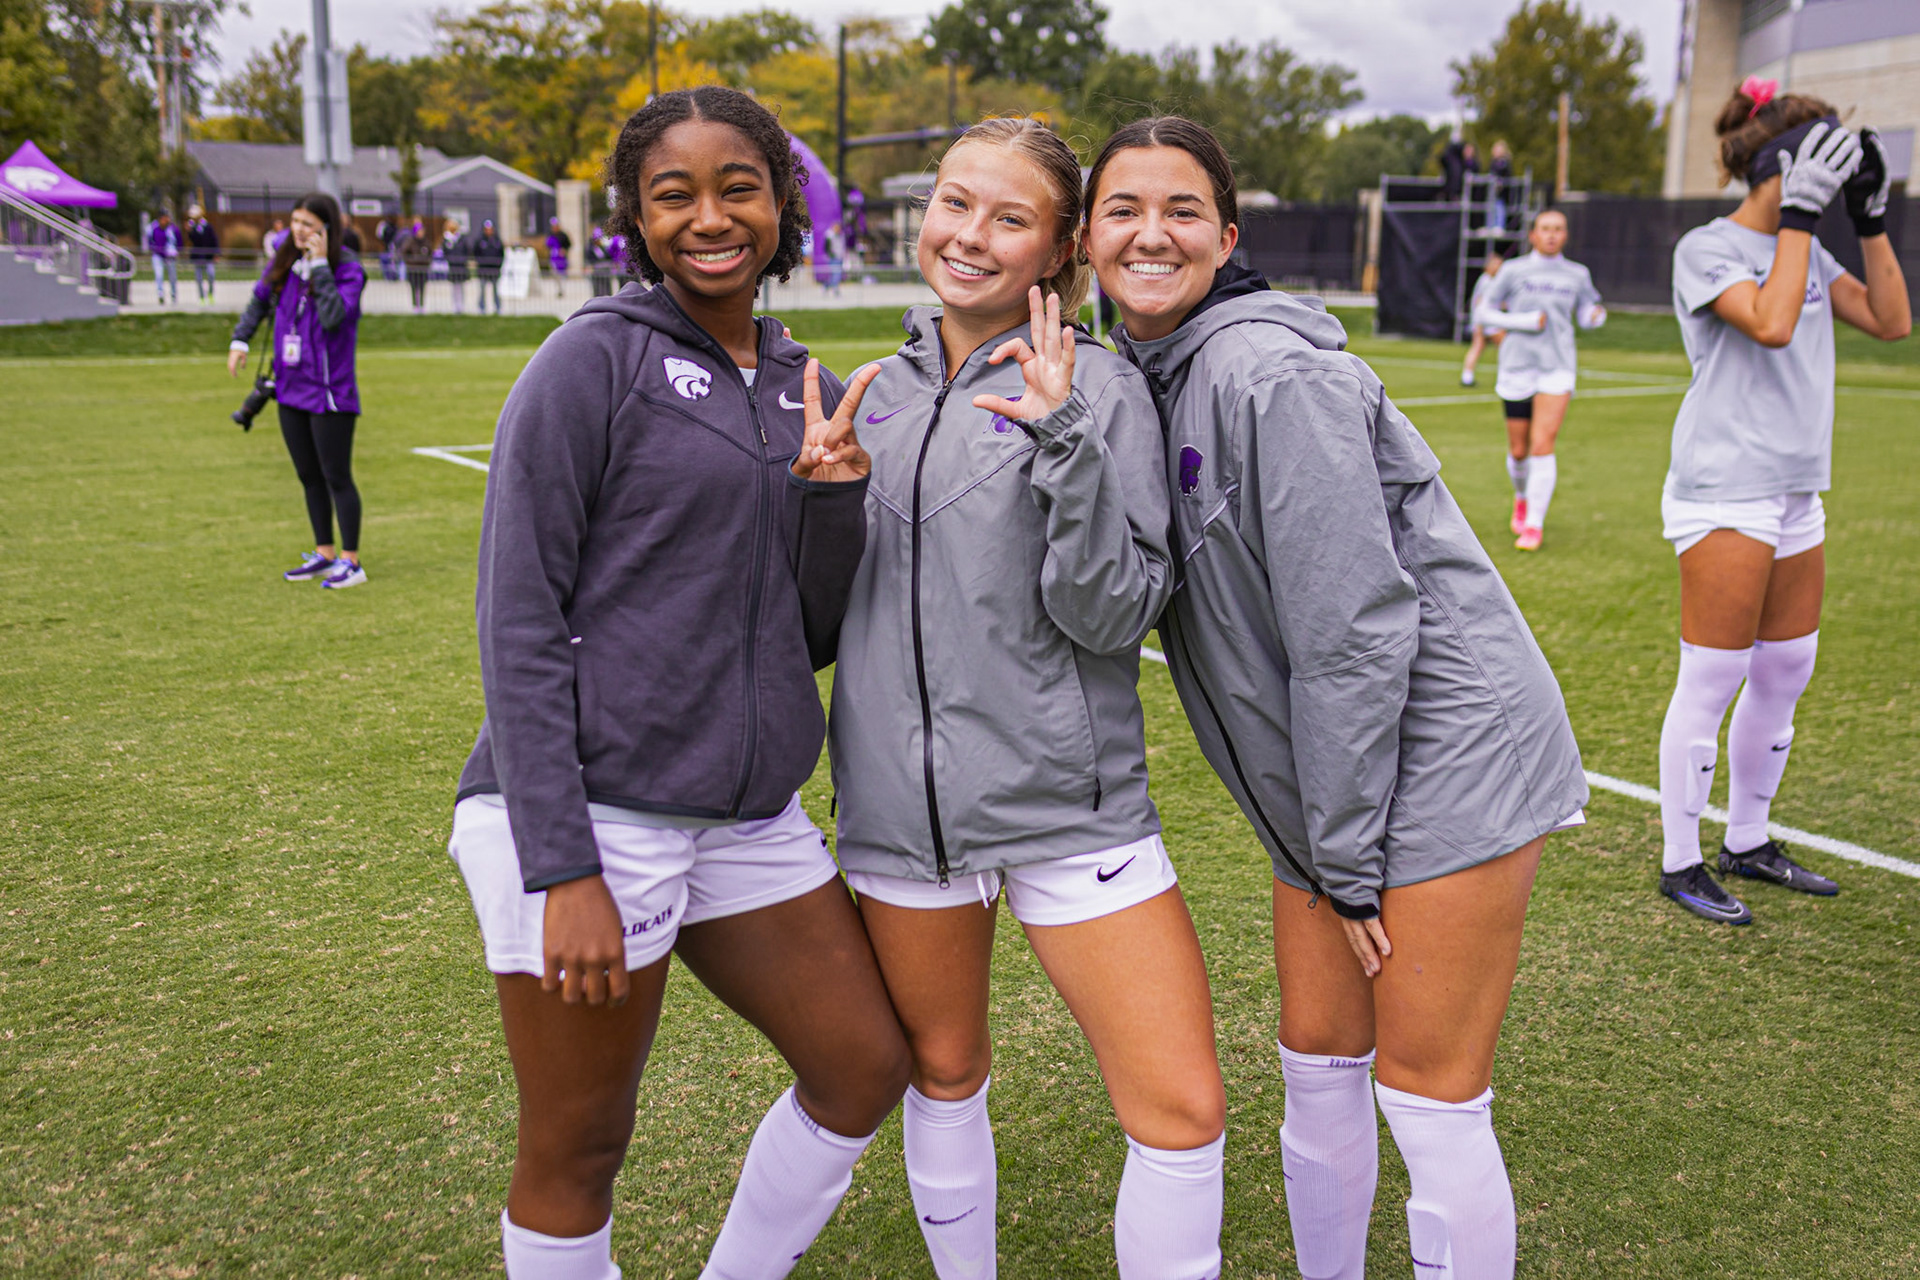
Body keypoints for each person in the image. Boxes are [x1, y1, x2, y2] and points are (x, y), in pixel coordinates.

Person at [1087, 115, 1589, 1280]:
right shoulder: (1148, 373)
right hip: (1331, 783)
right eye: (1124, 209)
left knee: (1428, 1096)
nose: (1152, 233)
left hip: (1443, 757)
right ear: (1086, 236)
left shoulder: (1270, 371)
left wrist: (1344, 855)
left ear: (1226, 234)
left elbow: (1353, 633)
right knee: (1318, 1057)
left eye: (1181, 210)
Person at [450, 84, 911, 1280]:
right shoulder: (592, 359)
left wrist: (828, 495)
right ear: (636, 218)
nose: (709, 217)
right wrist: (565, 867)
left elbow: (798, 631)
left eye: (737, 187)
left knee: (864, 1062)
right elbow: (517, 618)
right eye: (675, 194)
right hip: (592, 816)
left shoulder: (796, 375)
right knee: (581, 1138)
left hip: (747, 811)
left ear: (782, 203)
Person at [829, 116, 1225, 1280]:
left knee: (1181, 1106)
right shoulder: (871, 392)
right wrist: (812, 505)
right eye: (956, 202)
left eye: (1010, 217)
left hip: (1071, 807)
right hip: (906, 816)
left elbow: (1112, 614)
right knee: (944, 1071)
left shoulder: (1102, 387)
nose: (969, 234)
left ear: (1057, 251)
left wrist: (1061, 432)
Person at [1654, 80, 1909, 925]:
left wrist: (1868, 220)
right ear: (1786, 165)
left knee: (1786, 668)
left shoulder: (1813, 250)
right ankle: (1682, 859)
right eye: (1824, 155)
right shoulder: (1708, 248)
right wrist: (1796, 220)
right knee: (1715, 674)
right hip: (1726, 488)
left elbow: (1891, 320)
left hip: (1798, 490)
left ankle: (1749, 838)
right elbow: (1768, 322)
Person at [225, 192, 370, 590]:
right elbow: (258, 302)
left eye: (309, 224)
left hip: (330, 392)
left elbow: (334, 317)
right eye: (296, 222)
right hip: (290, 387)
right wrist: (240, 341)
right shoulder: (284, 264)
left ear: (327, 229)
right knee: (308, 475)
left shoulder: (349, 270)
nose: (300, 231)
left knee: (336, 475)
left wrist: (321, 266)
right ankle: (324, 554)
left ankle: (351, 561)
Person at [1472, 208, 1606, 550]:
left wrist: (1594, 317)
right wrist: (1527, 321)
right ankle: (1521, 496)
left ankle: (1533, 525)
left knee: (1542, 445)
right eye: (1545, 228)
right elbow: (1483, 313)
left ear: (1565, 235)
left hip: (1557, 369)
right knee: (1519, 451)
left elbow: (1587, 313)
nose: (1551, 234)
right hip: (1517, 367)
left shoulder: (1577, 274)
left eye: (1558, 229)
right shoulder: (1513, 271)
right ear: (1533, 235)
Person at [1460, 245, 1506, 387]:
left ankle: (1467, 377)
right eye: (1497, 264)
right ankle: (1506, 377)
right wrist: (1479, 323)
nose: (1499, 267)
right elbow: (1479, 302)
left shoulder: (1492, 280)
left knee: (1479, 347)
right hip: (1487, 322)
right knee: (1506, 347)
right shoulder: (1487, 281)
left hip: (1487, 320)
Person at [395, 218, 432, 314]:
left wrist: (427, 261)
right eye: (419, 231)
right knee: (414, 288)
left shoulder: (426, 242)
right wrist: (411, 262)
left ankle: (422, 306)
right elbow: (403, 253)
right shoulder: (410, 242)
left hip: (423, 269)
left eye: (422, 231)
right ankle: (415, 305)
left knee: (422, 287)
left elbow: (430, 254)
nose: (421, 233)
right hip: (413, 269)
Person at [185, 206, 220, 303]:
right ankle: (201, 297)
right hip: (198, 257)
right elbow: (193, 241)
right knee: (199, 278)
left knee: (211, 275)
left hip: (208, 256)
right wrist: (190, 231)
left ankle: (210, 294)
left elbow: (214, 240)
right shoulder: (192, 226)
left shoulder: (208, 226)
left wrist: (216, 253)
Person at [474, 219, 506, 314]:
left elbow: (501, 254)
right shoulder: (480, 241)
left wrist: (498, 265)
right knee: (482, 290)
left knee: (496, 290)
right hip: (483, 270)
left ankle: (498, 307)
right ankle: (482, 308)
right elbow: (476, 254)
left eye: (490, 229)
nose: (489, 231)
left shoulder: (497, 241)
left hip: (494, 270)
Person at [148, 211, 180, 305]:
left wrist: (176, 251)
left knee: (172, 277)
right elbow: (150, 241)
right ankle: (160, 294)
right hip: (158, 256)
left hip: (170, 257)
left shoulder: (173, 229)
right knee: (159, 275)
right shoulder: (154, 228)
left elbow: (179, 242)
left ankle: (173, 294)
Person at [443, 218, 474, 314]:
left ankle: (461, 306)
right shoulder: (447, 239)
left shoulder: (461, 239)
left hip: (461, 266)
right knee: (454, 288)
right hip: (452, 267)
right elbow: (445, 252)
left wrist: (463, 260)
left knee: (460, 287)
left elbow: (467, 251)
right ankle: (455, 306)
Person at [1486, 141, 1514, 234]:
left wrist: (1500, 183)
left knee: (1500, 208)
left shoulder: (1504, 162)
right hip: (1493, 192)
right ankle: (1490, 226)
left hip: (1502, 193)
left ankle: (1500, 226)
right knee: (1491, 208)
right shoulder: (1493, 162)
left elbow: (1505, 174)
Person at [586, 224, 615, 297]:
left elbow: (609, 257)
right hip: (596, 273)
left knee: (607, 289)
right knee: (598, 290)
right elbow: (590, 258)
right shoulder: (590, 248)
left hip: (605, 272)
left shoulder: (604, 248)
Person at [545, 215, 571, 284]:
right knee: (555, 274)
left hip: (562, 259)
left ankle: (562, 288)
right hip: (553, 258)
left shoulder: (563, 235)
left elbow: (568, 244)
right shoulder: (550, 235)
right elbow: (547, 245)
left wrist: (564, 250)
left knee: (562, 274)